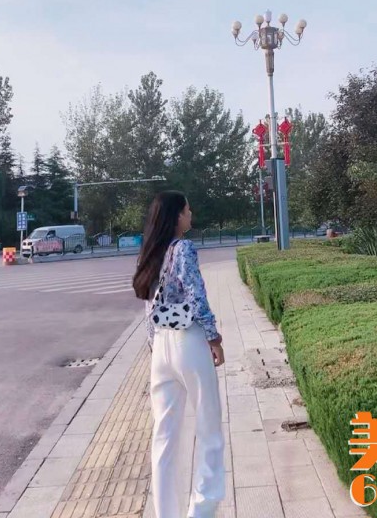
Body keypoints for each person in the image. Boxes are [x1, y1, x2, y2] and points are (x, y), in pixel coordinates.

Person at [133, 191, 225, 518]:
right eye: (187, 210)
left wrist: (154, 347)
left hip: (160, 346)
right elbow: (196, 295)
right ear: (176, 216)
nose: (190, 214)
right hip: (189, 341)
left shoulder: (150, 252)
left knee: (164, 438)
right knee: (209, 428)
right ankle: (201, 510)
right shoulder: (183, 248)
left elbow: (149, 307)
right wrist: (214, 337)